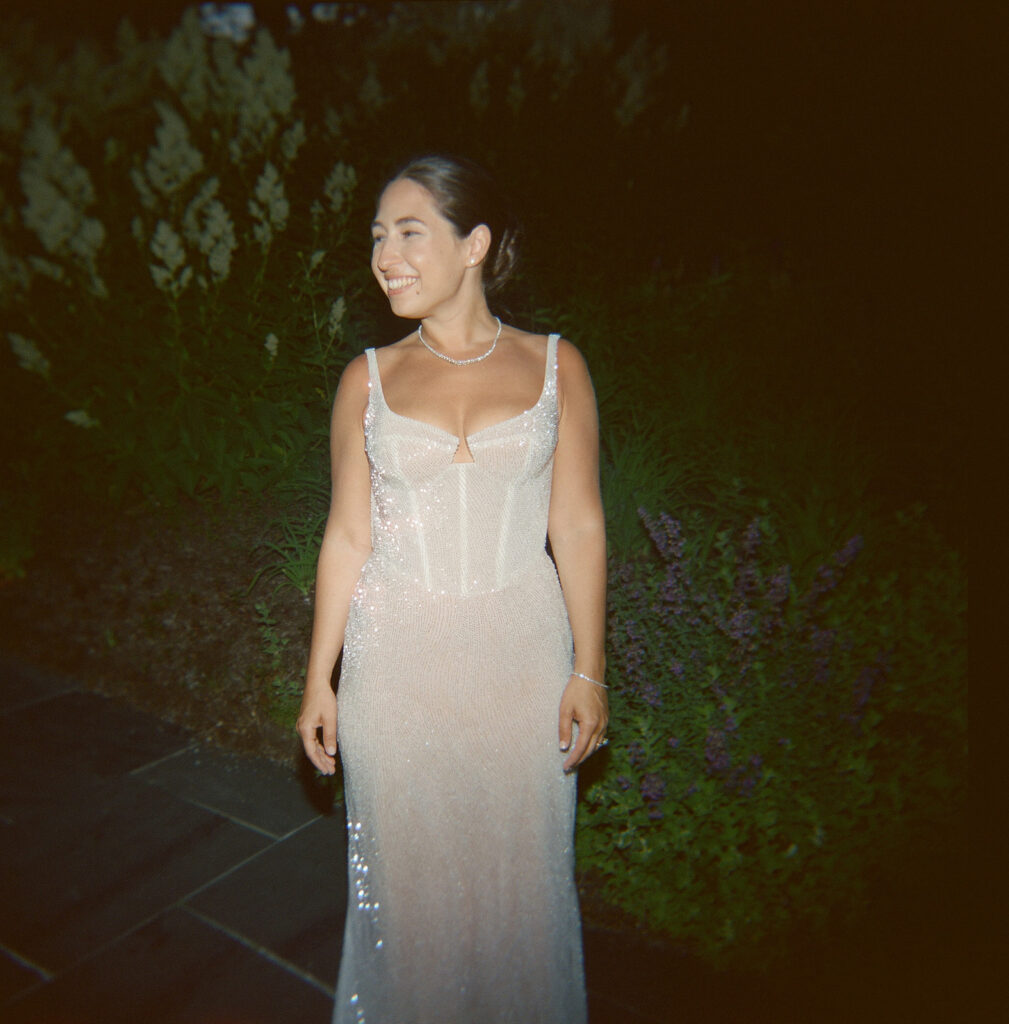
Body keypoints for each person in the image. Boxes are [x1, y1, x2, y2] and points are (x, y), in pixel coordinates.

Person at [297, 154, 608, 1024]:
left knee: (524, 884)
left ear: (474, 244)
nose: (384, 256)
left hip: (520, 660)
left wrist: (590, 669)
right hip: (395, 671)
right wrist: (319, 676)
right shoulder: (366, 378)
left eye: (407, 232)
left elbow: (578, 525)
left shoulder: (556, 366)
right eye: (375, 238)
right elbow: (348, 534)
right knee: (411, 895)